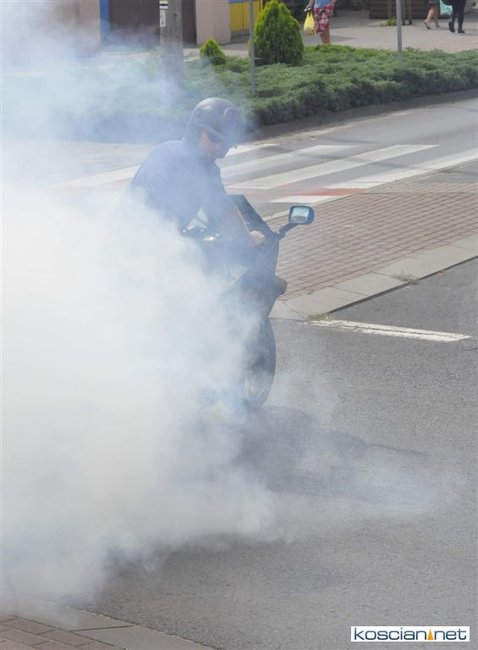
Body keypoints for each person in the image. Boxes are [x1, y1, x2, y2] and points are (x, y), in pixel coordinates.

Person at [128, 97, 263, 251]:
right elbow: (145, 206)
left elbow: (221, 209)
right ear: (196, 129)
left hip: (151, 243)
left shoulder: (203, 166)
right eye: (214, 137)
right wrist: (248, 239)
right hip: (135, 244)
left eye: (226, 143)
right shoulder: (172, 156)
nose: (218, 146)